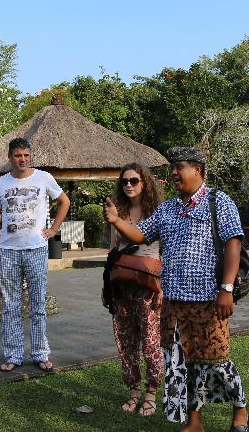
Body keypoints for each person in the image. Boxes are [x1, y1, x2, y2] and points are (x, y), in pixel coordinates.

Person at [104, 147, 249, 432]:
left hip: (208, 300)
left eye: (179, 166)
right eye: (172, 167)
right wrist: (116, 221)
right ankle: (194, 421)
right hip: (173, 301)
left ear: (198, 169)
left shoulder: (218, 201)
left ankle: (241, 410)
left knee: (217, 360)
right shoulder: (168, 208)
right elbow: (140, 234)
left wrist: (226, 288)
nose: (173, 172)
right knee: (182, 365)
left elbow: (234, 243)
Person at [0, 137, 70, 373]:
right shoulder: (0, 183)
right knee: (10, 304)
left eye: (26, 155)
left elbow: (64, 201)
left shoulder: (43, 178)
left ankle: (40, 353)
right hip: (9, 251)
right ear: (10, 158)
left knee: (38, 303)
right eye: (17, 155)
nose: (22, 159)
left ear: (30, 156)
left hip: (36, 248)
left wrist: (53, 230)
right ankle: (13, 354)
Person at [108, 163, 165, 417]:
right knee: (126, 341)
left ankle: (151, 393)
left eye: (134, 181)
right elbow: (113, 252)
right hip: (122, 284)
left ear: (145, 183)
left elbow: (165, 251)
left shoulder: (157, 213)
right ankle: (133, 390)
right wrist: (106, 286)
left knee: (151, 342)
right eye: (125, 182)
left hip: (148, 284)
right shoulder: (118, 213)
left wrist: (164, 286)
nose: (129, 185)